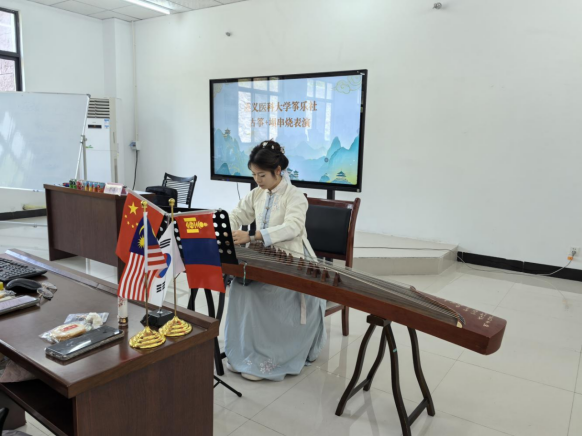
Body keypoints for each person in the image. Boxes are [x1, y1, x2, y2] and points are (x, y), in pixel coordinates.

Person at [224, 140, 327, 382]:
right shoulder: (257, 193)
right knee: (240, 287)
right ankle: (246, 352)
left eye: (262, 175)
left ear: (278, 171)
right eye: (253, 175)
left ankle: (269, 357)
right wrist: (224, 226)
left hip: (292, 258)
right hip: (262, 256)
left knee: (263, 292)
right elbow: (238, 214)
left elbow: (293, 227)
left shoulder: (295, 196)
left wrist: (253, 236)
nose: (257, 180)